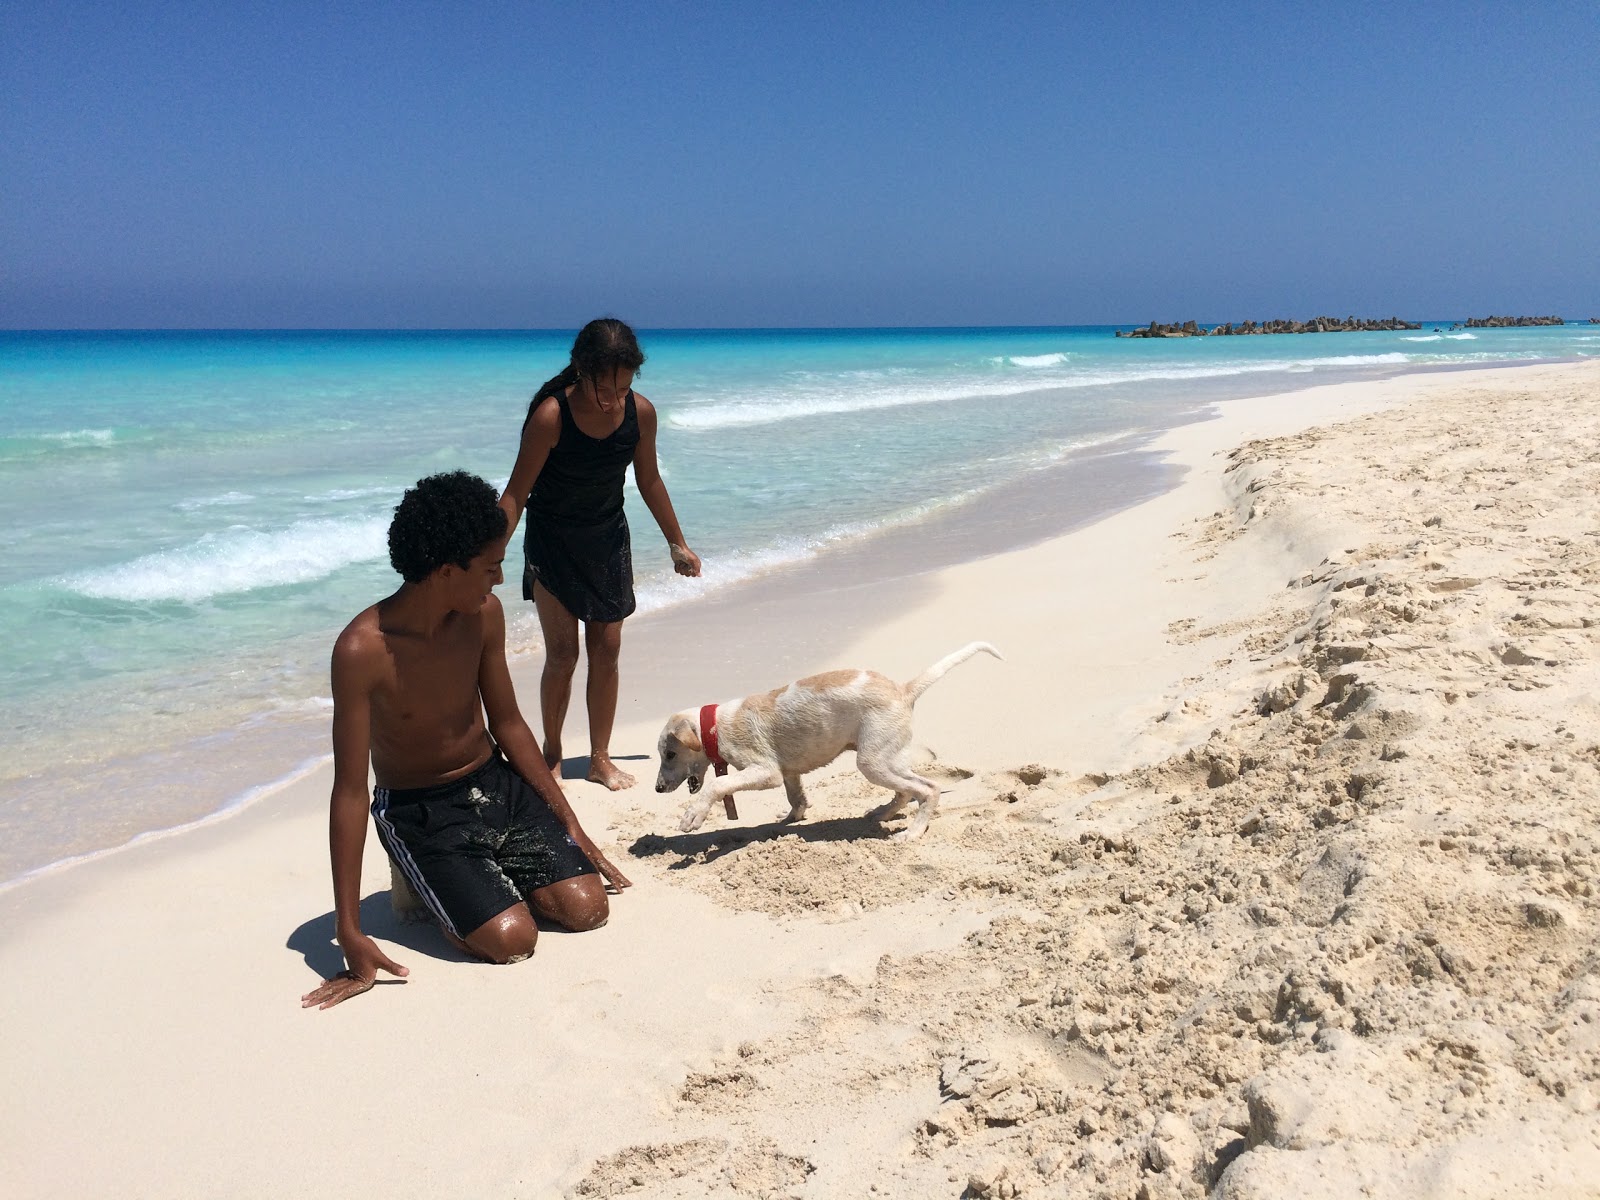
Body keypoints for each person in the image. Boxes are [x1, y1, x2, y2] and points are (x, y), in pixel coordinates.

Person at [302, 471, 631, 1011]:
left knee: (587, 908)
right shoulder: (362, 650)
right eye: (491, 567)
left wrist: (574, 828)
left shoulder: (482, 617)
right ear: (446, 570)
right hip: (419, 809)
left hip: (492, 783)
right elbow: (350, 790)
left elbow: (508, 724)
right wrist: (351, 929)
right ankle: (431, 881)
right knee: (511, 941)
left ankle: (485, 879)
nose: (500, 580)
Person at [499, 318, 701, 792]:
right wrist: (488, 559)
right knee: (563, 655)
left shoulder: (641, 415)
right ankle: (552, 753)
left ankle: (599, 758)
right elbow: (515, 493)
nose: (613, 399)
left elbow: (648, 480)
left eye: (623, 387)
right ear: (580, 372)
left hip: (608, 539)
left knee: (606, 653)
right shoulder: (551, 417)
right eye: (603, 388)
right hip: (553, 542)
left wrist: (677, 541)